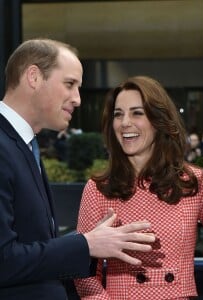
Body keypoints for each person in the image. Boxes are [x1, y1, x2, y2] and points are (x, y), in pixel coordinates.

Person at [0, 39, 156, 300]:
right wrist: (86, 244)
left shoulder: (22, 145)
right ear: (34, 77)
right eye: (69, 84)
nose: (78, 99)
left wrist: (88, 243)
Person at [74, 75, 203, 299]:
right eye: (118, 114)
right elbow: (83, 270)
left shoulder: (193, 182)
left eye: (137, 113)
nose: (125, 122)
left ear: (158, 120)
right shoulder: (98, 189)